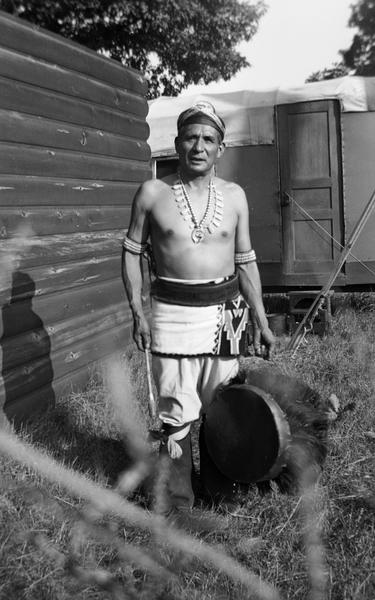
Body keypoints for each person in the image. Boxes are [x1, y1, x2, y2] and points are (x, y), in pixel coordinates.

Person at [122, 101, 275, 512]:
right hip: (171, 313)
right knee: (176, 407)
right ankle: (178, 501)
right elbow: (132, 252)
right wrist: (138, 312)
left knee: (222, 402)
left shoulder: (236, 197)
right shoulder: (152, 193)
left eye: (208, 139)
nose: (199, 146)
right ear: (176, 143)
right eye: (191, 137)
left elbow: (246, 261)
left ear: (221, 148)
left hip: (228, 312)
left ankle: (220, 489)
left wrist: (260, 318)